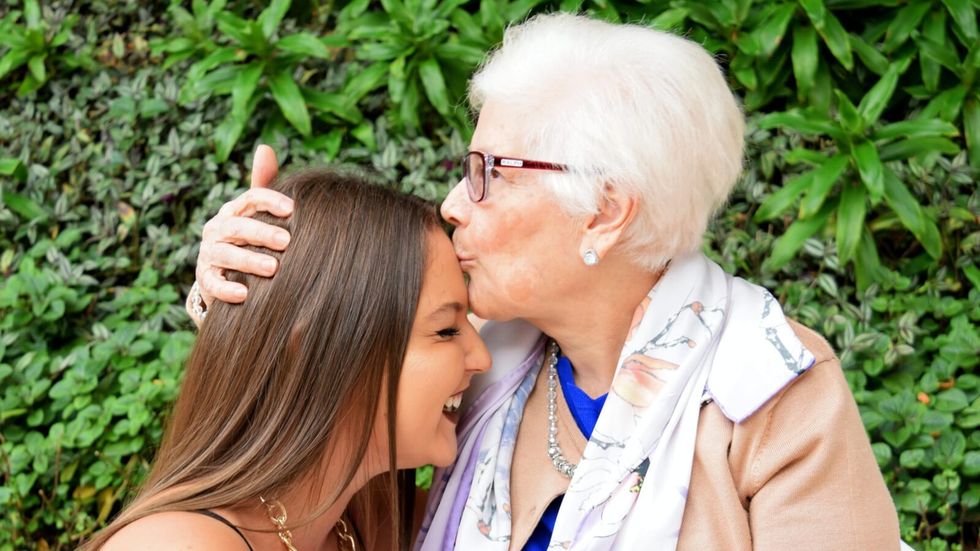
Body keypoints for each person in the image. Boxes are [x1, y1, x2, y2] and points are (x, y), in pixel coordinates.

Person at [189, 14, 903, 551]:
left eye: (486, 174)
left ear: (604, 212)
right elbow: (317, 443)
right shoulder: (466, 355)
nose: (452, 204)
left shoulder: (770, 393)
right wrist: (253, 296)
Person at [83, 168, 490, 551]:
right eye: (447, 330)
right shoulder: (178, 544)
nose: (482, 358)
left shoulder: (375, 517)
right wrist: (246, 315)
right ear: (324, 354)